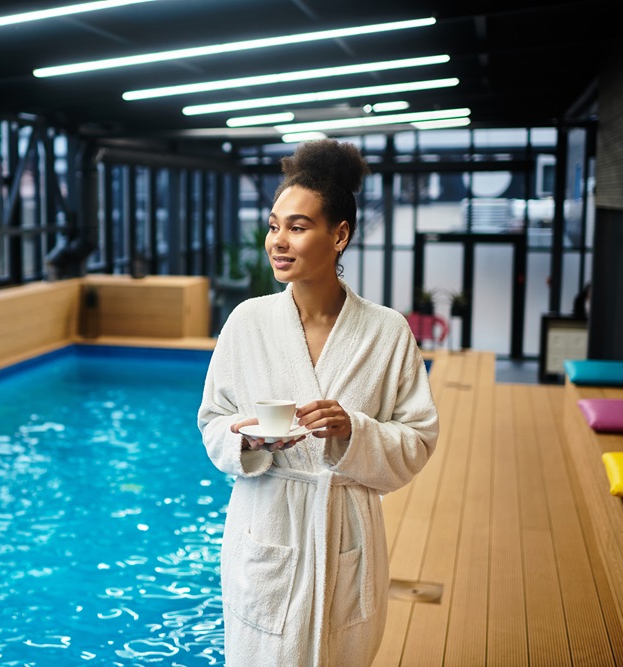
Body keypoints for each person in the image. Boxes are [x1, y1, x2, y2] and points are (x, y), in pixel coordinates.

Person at [197, 139, 439, 666]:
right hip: (266, 529)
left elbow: (419, 438)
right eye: (273, 224)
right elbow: (213, 422)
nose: (277, 241)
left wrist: (354, 432)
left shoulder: (386, 332)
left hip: (345, 530)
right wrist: (248, 439)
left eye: (298, 227)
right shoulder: (247, 323)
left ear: (340, 235)